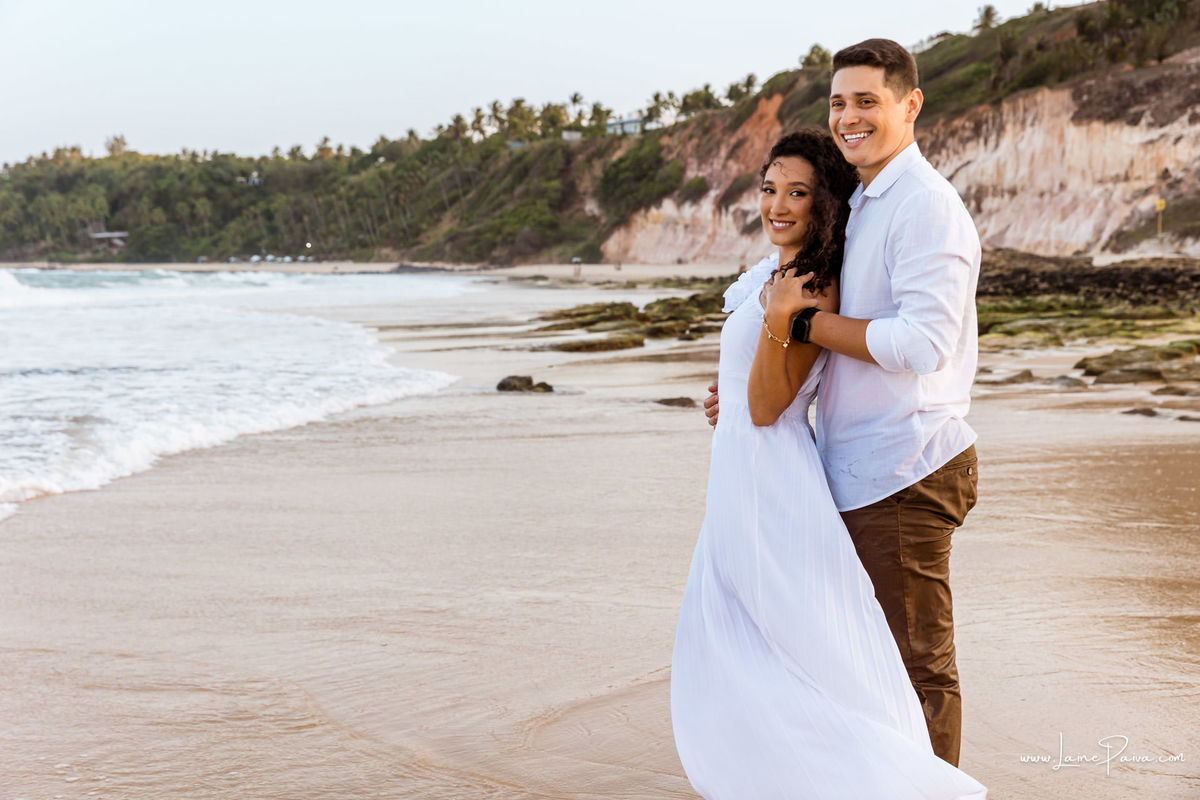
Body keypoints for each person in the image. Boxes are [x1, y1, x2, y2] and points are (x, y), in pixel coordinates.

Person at [671, 127, 986, 798]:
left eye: (799, 193)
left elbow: (766, 405)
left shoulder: (809, 285)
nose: (778, 205)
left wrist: (778, 333)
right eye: (769, 189)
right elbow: (752, 394)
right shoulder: (773, 276)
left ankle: (899, 779)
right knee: (755, 640)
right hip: (745, 471)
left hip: (772, 479)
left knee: (805, 643)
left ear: (824, 205)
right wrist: (726, 400)